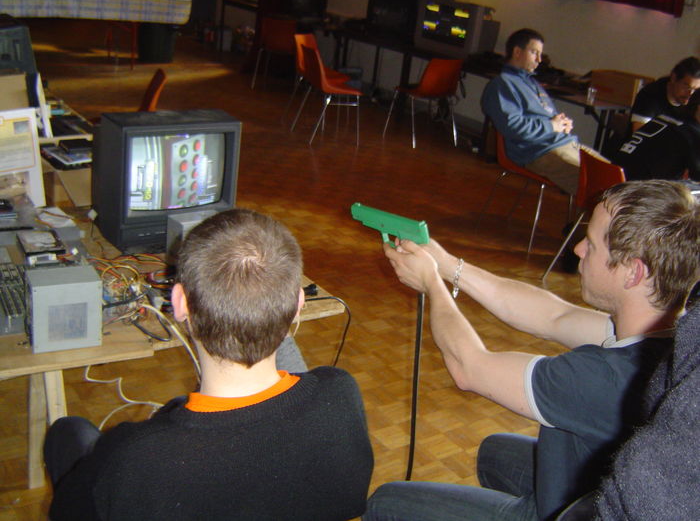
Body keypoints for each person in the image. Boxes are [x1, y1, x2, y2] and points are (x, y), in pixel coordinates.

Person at [364, 180, 699, 521]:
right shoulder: (667, 337)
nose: (578, 248)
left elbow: (469, 368)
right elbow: (553, 316)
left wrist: (432, 285)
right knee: (494, 452)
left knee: (385, 502)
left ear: (633, 272)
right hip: (600, 478)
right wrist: (448, 265)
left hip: (578, 511)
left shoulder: (603, 376)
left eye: (592, 244)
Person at [44, 209, 374, 521]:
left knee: (67, 432)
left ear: (179, 303)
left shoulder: (135, 455)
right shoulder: (340, 394)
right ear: (299, 304)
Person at [481, 28, 602, 196]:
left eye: (540, 54)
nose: (539, 60)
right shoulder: (502, 85)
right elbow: (513, 127)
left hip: (564, 143)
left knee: (617, 176)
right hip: (539, 152)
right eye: (534, 53)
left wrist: (561, 124)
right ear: (517, 52)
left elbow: (546, 118)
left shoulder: (532, 83)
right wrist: (552, 126)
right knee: (602, 184)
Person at [613, 91, 700, 181]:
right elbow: (696, 175)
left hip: (612, 175)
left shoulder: (664, 118)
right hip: (636, 185)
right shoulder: (693, 134)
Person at [629, 56, 700, 132]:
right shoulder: (651, 94)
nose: (691, 94)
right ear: (673, 78)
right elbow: (640, 133)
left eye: (696, 89)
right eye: (686, 87)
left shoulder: (695, 99)